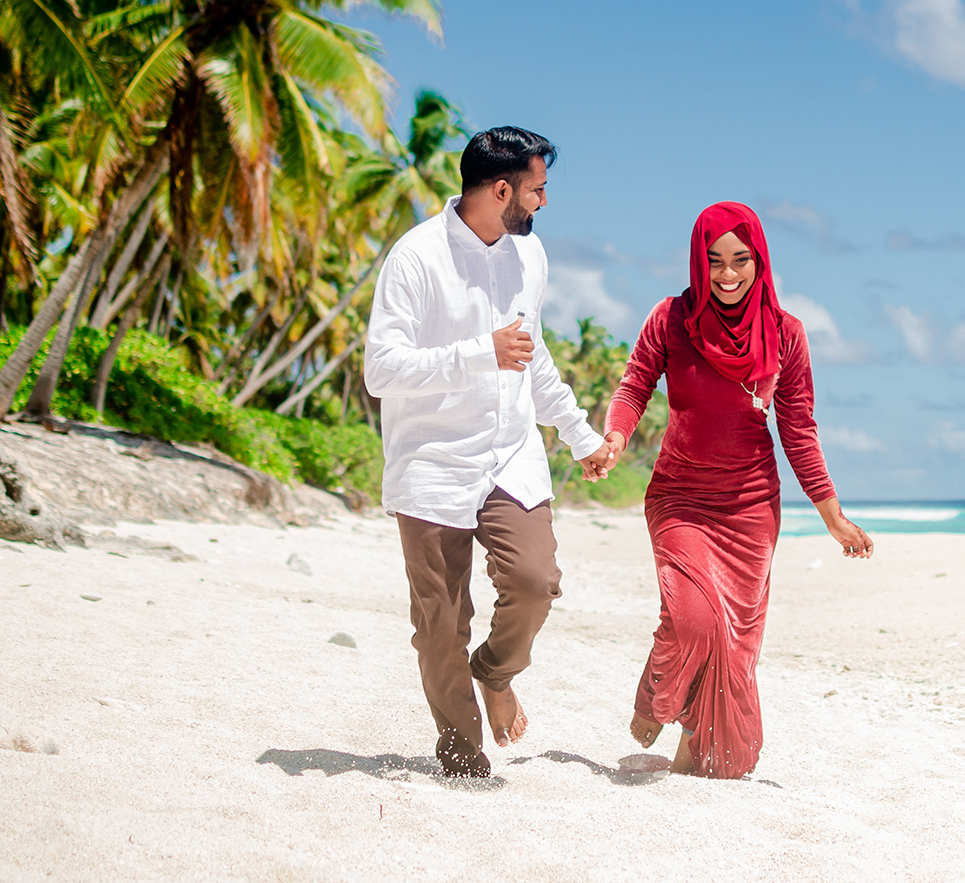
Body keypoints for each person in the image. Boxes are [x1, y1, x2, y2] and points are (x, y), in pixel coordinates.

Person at [592, 201, 872, 779]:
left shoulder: (787, 334)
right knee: (694, 620)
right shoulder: (670, 318)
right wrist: (617, 435)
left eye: (740, 260)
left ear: (759, 260)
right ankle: (655, 693)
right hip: (681, 497)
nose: (726, 274)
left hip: (749, 507)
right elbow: (635, 382)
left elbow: (798, 429)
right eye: (714, 260)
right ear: (698, 260)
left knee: (734, 644)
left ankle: (697, 753)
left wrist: (833, 518)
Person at [364, 127, 608, 779]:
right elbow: (380, 371)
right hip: (430, 465)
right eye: (538, 189)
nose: (544, 202)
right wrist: (480, 353)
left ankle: (495, 672)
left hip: (508, 455)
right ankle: (461, 752)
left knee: (534, 582)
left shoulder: (531, 259)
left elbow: (535, 356)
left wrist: (580, 436)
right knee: (441, 625)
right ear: (501, 190)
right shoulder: (414, 257)